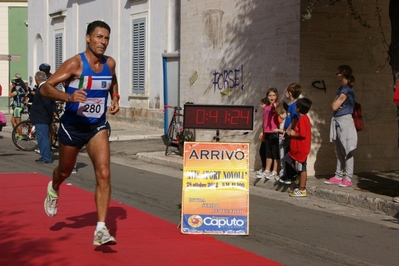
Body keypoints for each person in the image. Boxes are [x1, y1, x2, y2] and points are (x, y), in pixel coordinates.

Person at [40, 20, 120, 245]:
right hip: (72, 127)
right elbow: (45, 88)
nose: (102, 42)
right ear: (88, 38)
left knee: (104, 173)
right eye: (98, 37)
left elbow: (112, 81)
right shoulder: (75, 63)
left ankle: (101, 229)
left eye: (106, 38)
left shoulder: (110, 63)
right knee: (64, 172)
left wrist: (115, 98)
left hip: (97, 126)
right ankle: (54, 187)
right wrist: (68, 97)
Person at [324, 65, 357, 187]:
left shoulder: (347, 90)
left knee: (347, 150)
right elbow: (333, 104)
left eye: (337, 73)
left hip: (345, 121)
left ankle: (348, 178)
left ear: (342, 74)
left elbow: (334, 106)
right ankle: (338, 175)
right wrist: (336, 104)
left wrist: (337, 104)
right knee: (339, 151)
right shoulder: (341, 89)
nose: (336, 75)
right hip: (337, 120)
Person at [283, 98, 312, 197]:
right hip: (296, 148)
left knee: (302, 168)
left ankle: (302, 188)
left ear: (298, 109)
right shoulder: (302, 118)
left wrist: (293, 133)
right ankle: (300, 178)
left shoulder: (303, 119)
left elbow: (302, 134)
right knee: (288, 158)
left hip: (301, 148)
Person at [279, 83, 302, 185]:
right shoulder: (290, 105)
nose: (285, 93)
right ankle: (287, 174)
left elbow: (294, 120)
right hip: (287, 132)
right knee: (286, 154)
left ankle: (291, 175)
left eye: (286, 91)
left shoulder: (294, 106)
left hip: (290, 133)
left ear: (290, 93)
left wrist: (287, 131)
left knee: (289, 155)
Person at [30, 71, 55, 164]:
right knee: (42, 137)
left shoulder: (43, 88)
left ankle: (46, 157)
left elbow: (47, 103)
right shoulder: (46, 87)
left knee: (43, 137)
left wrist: (51, 114)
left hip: (42, 117)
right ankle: (44, 155)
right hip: (43, 116)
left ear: (37, 79)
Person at [257, 88, 280, 180]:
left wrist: (274, 107)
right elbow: (265, 121)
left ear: (276, 96)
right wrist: (262, 131)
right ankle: (267, 170)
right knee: (268, 152)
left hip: (274, 132)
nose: (271, 97)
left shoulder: (277, 105)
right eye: (270, 95)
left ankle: (275, 171)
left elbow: (278, 112)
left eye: (273, 95)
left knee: (275, 152)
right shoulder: (266, 107)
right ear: (267, 96)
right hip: (267, 132)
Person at [273, 101, 288, 181]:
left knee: (283, 157)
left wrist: (278, 130)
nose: (279, 116)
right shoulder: (282, 121)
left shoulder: (286, 121)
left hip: (283, 140)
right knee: (281, 156)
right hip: (280, 140)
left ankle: (283, 173)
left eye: (280, 114)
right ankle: (282, 172)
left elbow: (285, 131)